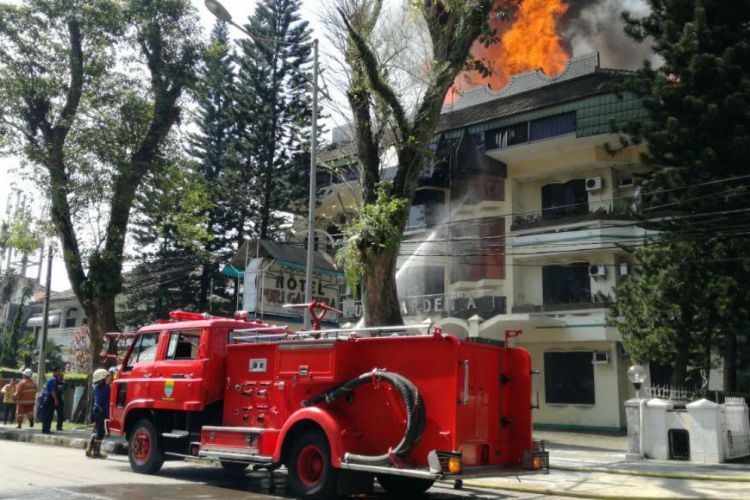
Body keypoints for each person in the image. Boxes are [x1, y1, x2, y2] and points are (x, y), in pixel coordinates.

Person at [86, 368, 110, 459]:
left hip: (97, 411)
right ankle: (96, 452)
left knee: (97, 430)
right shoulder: (103, 388)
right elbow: (100, 401)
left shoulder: (97, 387)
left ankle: (89, 449)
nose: (108, 378)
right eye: (107, 377)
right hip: (101, 411)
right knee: (100, 432)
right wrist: (102, 411)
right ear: (102, 378)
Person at [40, 367, 63, 434]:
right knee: (48, 415)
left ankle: (45, 429)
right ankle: (46, 429)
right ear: (54, 372)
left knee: (47, 414)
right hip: (49, 399)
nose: (59, 373)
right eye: (58, 371)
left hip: (47, 399)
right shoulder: (53, 380)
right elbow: (52, 391)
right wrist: (56, 400)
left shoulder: (51, 379)